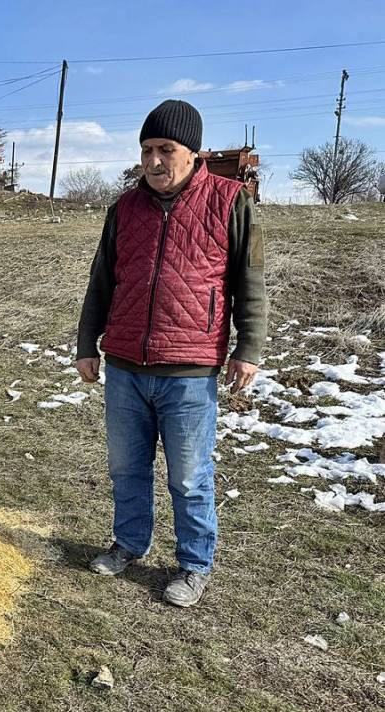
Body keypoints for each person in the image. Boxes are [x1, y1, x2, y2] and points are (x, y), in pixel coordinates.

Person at [75, 99, 268, 607]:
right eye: (146, 150)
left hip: (189, 369)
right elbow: (101, 282)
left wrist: (247, 348)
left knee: (189, 475)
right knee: (126, 466)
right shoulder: (124, 208)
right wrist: (85, 344)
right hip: (124, 367)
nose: (154, 161)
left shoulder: (230, 201)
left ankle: (194, 564)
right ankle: (129, 543)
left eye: (166, 149)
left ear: (193, 152)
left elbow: (250, 283)